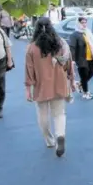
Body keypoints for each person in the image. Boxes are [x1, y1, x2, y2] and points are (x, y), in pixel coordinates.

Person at [25, 17, 74, 157]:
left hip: (40, 86)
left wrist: (28, 89)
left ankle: (49, 140)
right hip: (59, 83)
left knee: (43, 115)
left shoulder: (32, 48)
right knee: (59, 113)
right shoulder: (60, 44)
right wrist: (71, 78)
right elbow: (68, 62)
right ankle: (61, 135)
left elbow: (29, 70)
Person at [69, 16, 93, 100]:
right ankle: (86, 93)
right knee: (84, 76)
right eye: (82, 22)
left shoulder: (87, 32)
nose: (84, 24)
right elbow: (72, 47)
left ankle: (80, 84)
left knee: (92, 72)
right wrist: (73, 60)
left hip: (90, 57)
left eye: (85, 22)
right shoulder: (75, 35)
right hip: (81, 58)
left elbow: (92, 44)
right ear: (78, 23)